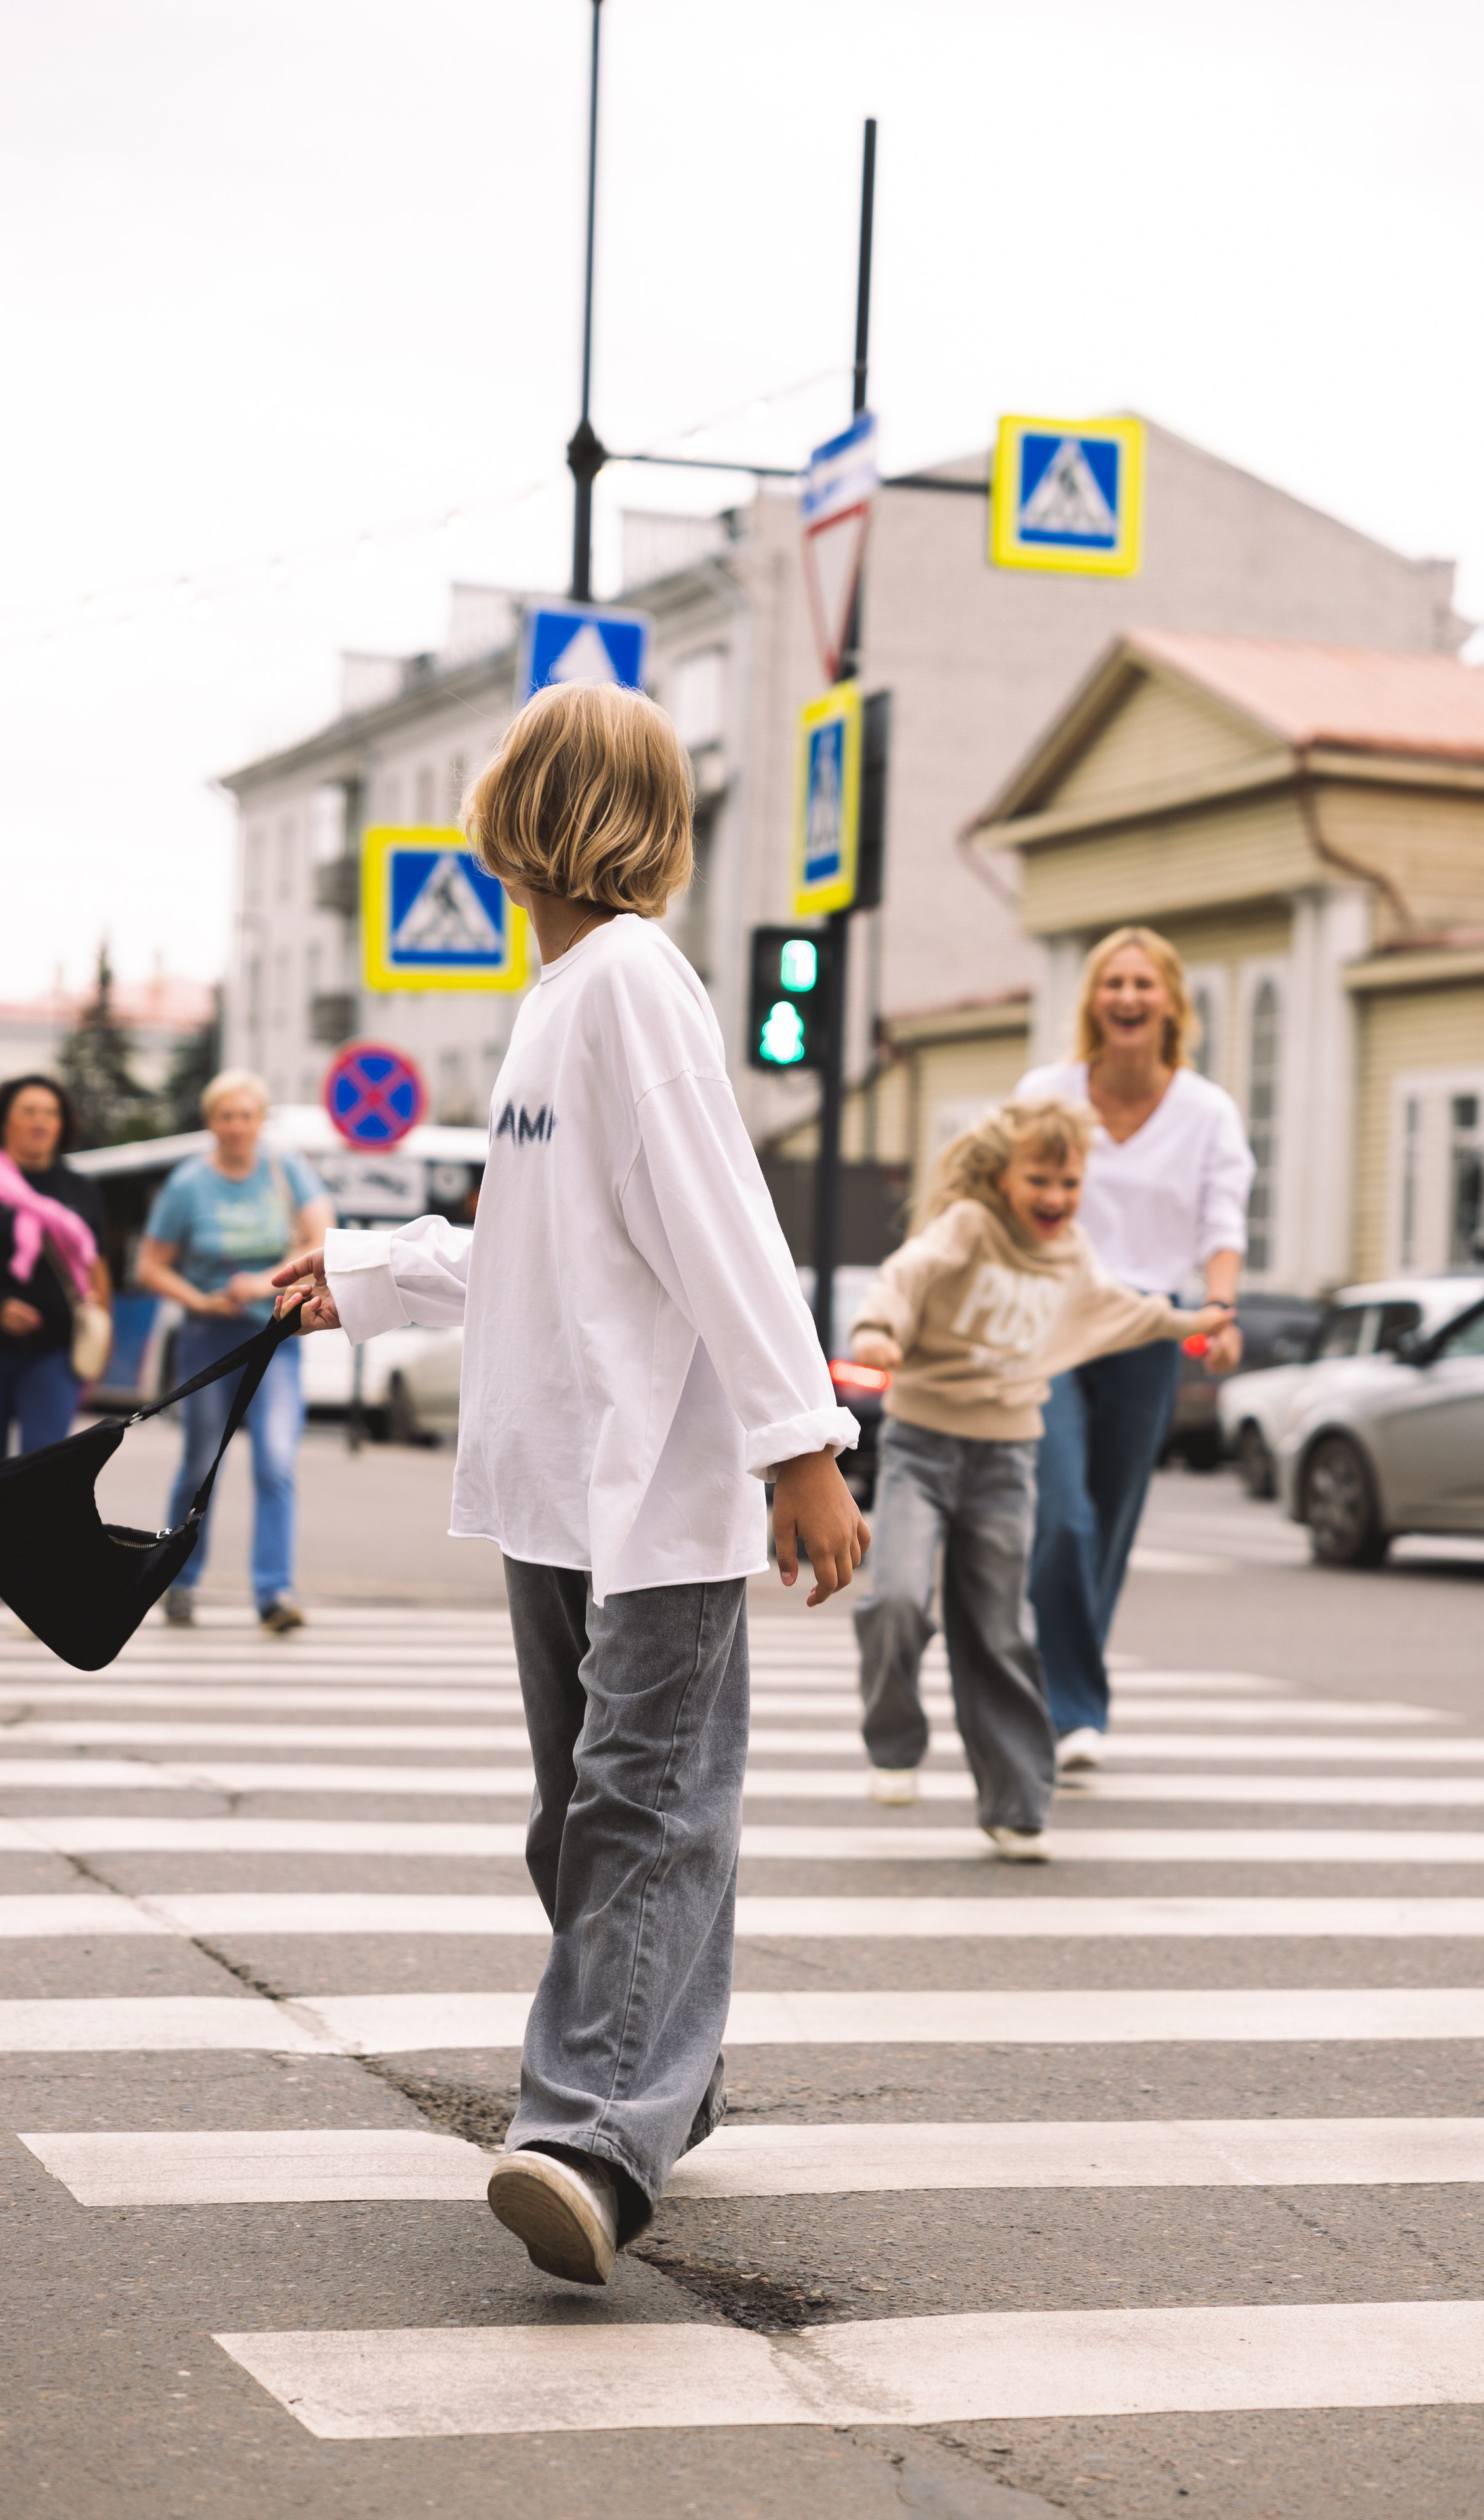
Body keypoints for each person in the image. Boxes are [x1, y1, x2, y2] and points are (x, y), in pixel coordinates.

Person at [273, 679, 867, 2292]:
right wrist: (369, 1269)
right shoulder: (553, 1001)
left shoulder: (631, 990)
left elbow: (721, 1227)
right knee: (588, 1816)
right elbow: (543, 1243)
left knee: (638, 1806)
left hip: (658, 1486)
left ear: (519, 808)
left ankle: (595, 2131)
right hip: (558, 1481)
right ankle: (665, 2073)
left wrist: (798, 1445)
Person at [846, 1098, 1231, 1858]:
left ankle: (1016, 1804)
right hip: (923, 1448)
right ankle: (894, 1743)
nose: (1055, 1198)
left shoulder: (1072, 1253)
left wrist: (1192, 1322)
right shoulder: (968, 1227)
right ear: (1001, 1176)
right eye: (1039, 1180)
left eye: (1069, 1182)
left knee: (1000, 1632)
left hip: (1004, 1460)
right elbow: (906, 1272)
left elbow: (1118, 1308)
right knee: (892, 1598)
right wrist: (877, 1330)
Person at [1017, 927, 1254, 1768]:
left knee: (1108, 1529)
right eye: (1112, 983)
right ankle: (1073, 1706)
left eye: (1142, 985)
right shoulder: (1048, 1092)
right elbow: (1003, 1197)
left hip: (1149, 1330)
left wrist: (1218, 1312)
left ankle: (1057, 1690)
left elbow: (1221, 1224)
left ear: (1169, 1003)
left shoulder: (1207, 1111)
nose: (1126, 997)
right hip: (1052, 1321)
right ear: (1092, 1001)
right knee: (1066, 1520)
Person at [136, 1072, 332, 1633]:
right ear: (211, 1122)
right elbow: (151, 1266)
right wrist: (198, 1298)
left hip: (276, 1336)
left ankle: (273, 1594)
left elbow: (323, 1238)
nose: (237, 1126)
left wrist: (262, 1285)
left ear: (259, 1121)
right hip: (208, 1338)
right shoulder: (188, 1185)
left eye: (247, 1115)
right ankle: (180, 1582)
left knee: (276, 1462)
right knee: (202, 1463)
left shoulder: (285, 1168)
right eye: (226, 1116)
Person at [0, 1075, 110, 1456]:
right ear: (5, 1121)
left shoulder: (79, 1187)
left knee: (42, 1471)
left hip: (55, 1351)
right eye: (28, 1111)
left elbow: (96, 1267)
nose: (40, 1121)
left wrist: (102, 1335)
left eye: (50, 1113)